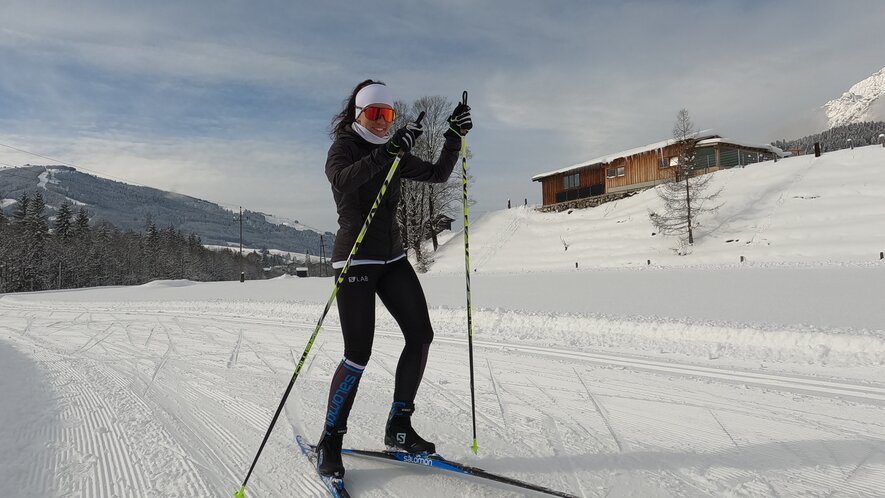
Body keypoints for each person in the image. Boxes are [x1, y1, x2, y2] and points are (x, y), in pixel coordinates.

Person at [315, 80, 472, 479]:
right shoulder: (344, 147)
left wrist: (453, 137)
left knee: (420, 334)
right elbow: (342, 180)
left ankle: (399, 428)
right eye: (375, 114)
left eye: (389, 114)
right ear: (358, 113)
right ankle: (331, 439)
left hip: (392, 256)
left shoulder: (395, 149)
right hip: (355, 257)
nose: (383, 122)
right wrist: (388, 152)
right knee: (358, 352)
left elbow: (437, 174)